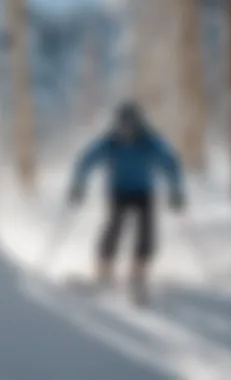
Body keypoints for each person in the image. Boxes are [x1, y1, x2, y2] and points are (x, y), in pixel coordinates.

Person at [68, 101, 185, 304]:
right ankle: (104, 269)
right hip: (118, 192)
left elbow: (170, 162)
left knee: (146, 230)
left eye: (130, 124)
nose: (126, 128)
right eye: (123, 124)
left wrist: (175, 189)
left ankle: (138, 271)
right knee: (114, 227)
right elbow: (86, 160)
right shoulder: (110, 142)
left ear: (138, 124)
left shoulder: (148, 142)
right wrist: (79, 185)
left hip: (143, 192)